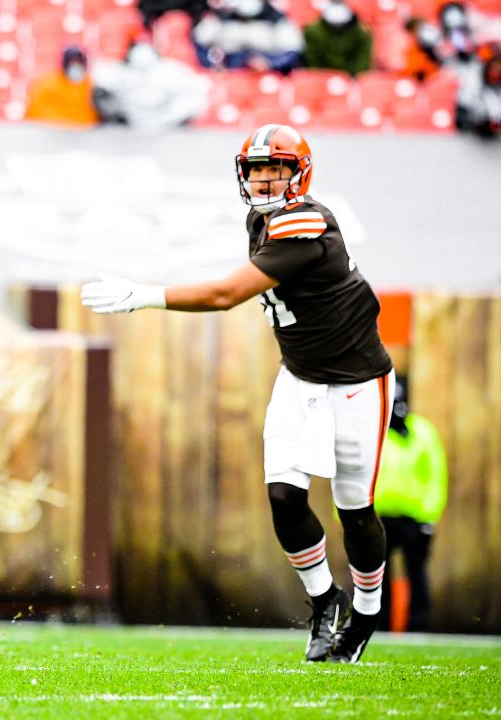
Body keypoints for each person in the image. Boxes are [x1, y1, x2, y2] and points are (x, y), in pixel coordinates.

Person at [81, 124, 394, 664]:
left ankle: (366, 612)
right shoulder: (261, 219)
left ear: (300, 173)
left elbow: (227, 294)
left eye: (276, 168)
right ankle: (326, 602)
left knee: (355, 509)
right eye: (256, 169)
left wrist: (144, 295)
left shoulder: (307, 221)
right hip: (300, 376)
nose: (265, 179)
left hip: (356, 381)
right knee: (283, 496)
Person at [373, 376, 446, 632]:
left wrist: (429, 517)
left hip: (412, 519)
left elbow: (435, 477)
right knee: (376, 576)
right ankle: (378, 624)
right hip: (376, 518)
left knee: (416, 572)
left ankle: (418, 624)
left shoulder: (423, 432)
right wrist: (347, 518)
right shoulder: (373, 432)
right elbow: (351, 475)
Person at [92, 40, 211, 131]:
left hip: (165, 122)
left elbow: (201, 87)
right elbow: (99, 85)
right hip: (130, 123)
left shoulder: (170, 71)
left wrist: (168, 116)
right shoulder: (117, 72)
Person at [193, 0, 304, 73]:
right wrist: (212, 65)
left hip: (268, 79)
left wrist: (270, 64)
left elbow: (292, 51)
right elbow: (200, 42)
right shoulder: (220, 19)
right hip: (231, 76)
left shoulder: (278, 20)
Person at [25, 46, 99, 126]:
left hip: (85, 133)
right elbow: (34, 111)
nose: (75, 66)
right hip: (52, 131)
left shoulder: (92, 86)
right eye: (72, 63)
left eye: (78, 62)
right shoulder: (46, 85)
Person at [303, 0, 372, 76]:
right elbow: (313, 63)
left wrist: (347, 77)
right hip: (323, 77)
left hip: (351, 78)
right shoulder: (313, 32)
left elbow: (362, 64)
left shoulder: (361, 34)